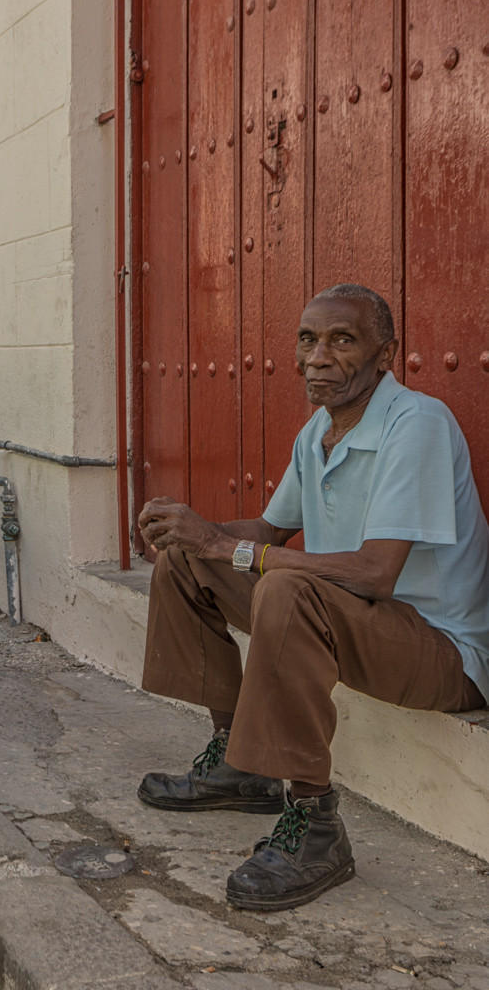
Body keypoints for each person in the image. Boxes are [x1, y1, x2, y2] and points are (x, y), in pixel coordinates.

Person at [135, 282, 489, 911]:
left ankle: (316, 824)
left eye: (342, 340)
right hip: (359, 623)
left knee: (289, 586)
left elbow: (377, 573)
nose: (319, 356)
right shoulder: (318, 434)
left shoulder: (418, 423)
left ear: (386, 353)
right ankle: (240, 764)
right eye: (308, 340)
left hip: (440, 651)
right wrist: (193, 530)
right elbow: (267, 534)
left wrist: (231, 549)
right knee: (190, 560)